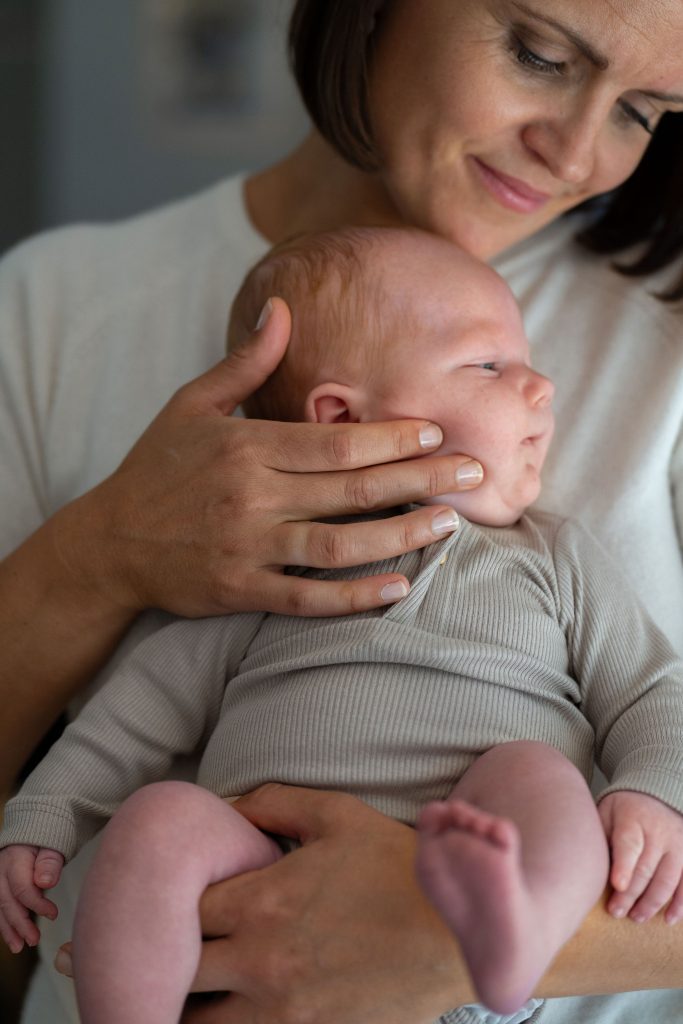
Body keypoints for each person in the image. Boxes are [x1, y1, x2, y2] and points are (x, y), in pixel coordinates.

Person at [1, 2, 683, 1022]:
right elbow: (127, 730)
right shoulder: (49, 310)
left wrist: (431, 945)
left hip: (494, 919)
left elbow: (651, 700)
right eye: (537, 54)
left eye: (642, 112)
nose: (577, 153)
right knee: (161, 820)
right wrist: (95, 557)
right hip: (195, 907)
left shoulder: (654, 358)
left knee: (534, 774)